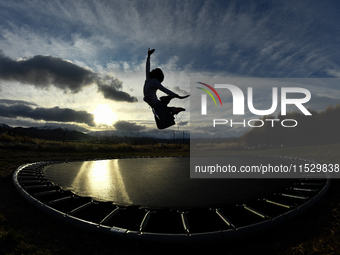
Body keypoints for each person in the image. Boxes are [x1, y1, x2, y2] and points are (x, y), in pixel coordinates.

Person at [143, 48, 189, 129]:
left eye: (154, 70)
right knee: (161, 124)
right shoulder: (148, 79)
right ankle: (170, 107)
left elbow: (164, 89)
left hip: (155, 104)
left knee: (163, 125)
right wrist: (148, 56)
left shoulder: (155, 82)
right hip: (154, 104)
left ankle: (173, 109)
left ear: (156, 75)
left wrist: (176, 95)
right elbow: (147, 67)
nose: (152, 70)